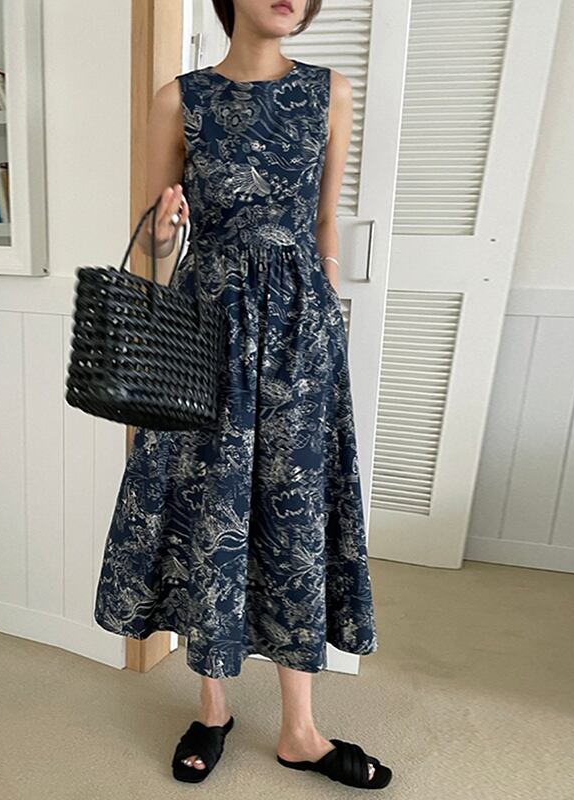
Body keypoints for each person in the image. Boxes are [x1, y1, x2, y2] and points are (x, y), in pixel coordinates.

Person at [93, 0, 391, 790]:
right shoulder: (179, 99)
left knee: (295, 509)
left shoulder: (330, 90)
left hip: (299, 327)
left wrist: (326, 303)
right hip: (208, 322)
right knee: (207, 503)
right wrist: (165, 228)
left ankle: (301, 729)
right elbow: (157, 242)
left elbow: (324, 221)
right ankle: (213, 706)